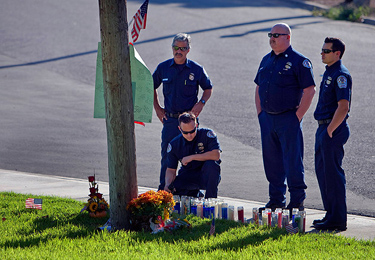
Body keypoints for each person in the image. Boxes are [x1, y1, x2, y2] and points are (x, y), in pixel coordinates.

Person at [254, 23, 316, 211]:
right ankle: (276, 199)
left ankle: (297, 200)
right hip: (268, 118)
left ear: (288, 38)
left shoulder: (299, 61)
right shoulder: (266, 59)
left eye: (276, 35)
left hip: (288, 118)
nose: (272, 38)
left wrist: (297, 117)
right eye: (270, 34)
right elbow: (258, 87)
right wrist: (260, 114)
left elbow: (310, 90)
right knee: (271, 161)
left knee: (292, 160)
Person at [153, 33, 213, 191]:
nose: (178, 51)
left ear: (188, 50)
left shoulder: (196, 69)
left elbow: (208, 88)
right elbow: (150, 86)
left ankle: (191, 192)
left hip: (189, 121)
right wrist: (158, 109)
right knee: (167, 157)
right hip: (171, 121)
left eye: (183, 48)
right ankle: (164, 193)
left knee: (193, 157)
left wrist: (201, 103)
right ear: (172, 48)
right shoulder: (163, 68)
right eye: (176, 47)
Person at [313, 37, 352, 231]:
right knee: (323, 173)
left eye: (326, 51)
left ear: (337, 53)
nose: (322, 53)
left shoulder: (341, 75)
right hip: (323, 128)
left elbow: (343, 107)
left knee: (333, 175)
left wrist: (329, 130)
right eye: (322, 50)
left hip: (332, 129)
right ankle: (330, 214)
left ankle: (337, 219)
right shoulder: (330, 72)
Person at [164, 112, 221, 199]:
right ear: (180, 129)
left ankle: (210, 201)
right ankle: (195, 194)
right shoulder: (174, 144)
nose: (189, 135)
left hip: (206, 175)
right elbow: (171, 169)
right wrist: (168, 184)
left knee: (212, 165)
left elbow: (216, 155)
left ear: (196, 125)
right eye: (186, 133)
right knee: (174, 189)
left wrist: (191, 157)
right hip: (188, 174)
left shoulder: (207, 134)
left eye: (192, 131)